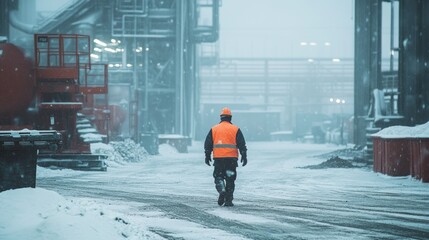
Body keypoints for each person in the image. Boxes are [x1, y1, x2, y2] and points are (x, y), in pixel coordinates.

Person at [204, 107, 247, 207]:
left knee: (218, 176)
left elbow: (208, 144)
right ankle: (228, 200)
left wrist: (207, 155)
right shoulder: (235, 129)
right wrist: (244, 155)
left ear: (221, 117)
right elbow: (242, 144)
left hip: (218, 159)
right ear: (230, 118)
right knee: (230, 179)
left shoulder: (214, 129)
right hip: (231, 159)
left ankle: (221, 190)